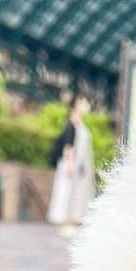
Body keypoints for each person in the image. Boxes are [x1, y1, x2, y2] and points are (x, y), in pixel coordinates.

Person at [47, 96, 95, 238]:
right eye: (83, 103)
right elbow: (68, 146)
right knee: (67, 192)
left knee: (77, 193)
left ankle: (73, 222)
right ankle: (66, 223)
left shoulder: (80, 124)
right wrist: (69, 164)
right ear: (76, 106)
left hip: (80, 168)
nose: (86, 106)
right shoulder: (71, 124)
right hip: (72, 165)